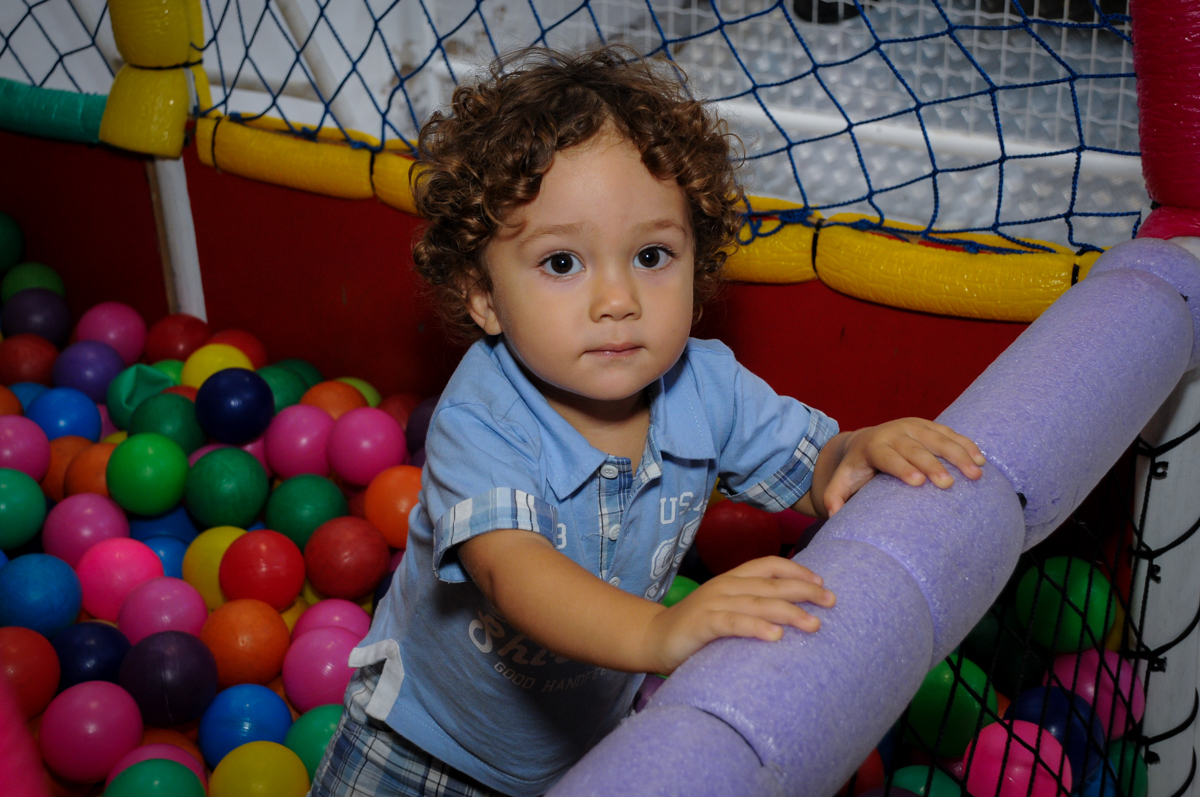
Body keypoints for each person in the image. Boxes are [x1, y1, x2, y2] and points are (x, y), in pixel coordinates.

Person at [309, 46, 985, 797]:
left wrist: (859, 449)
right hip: (421, 747)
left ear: (698, 275)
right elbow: (513, 569)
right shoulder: (483, 415)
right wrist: (660, 632)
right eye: (562, 263)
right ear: (484, 295)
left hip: (584, 756)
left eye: (653, 254)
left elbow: (817, 466)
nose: (617, 299)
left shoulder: (706, 385)